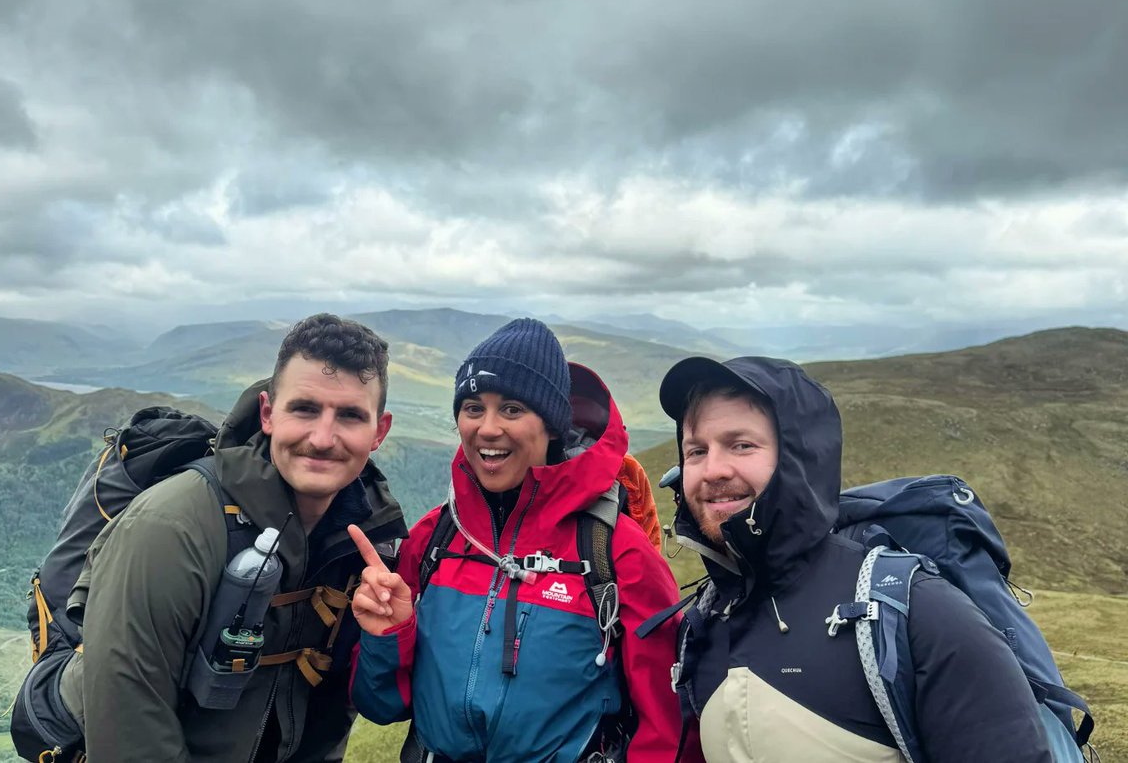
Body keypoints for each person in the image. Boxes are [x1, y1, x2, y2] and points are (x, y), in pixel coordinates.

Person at [657, 355, 1053, 762]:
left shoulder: (921, 613)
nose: (713, 469)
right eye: (697, 451)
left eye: (742, 445)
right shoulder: (704, 623)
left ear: (797, 458)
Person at [58, 314, 408, 762]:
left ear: (379, 432)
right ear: (268, 414)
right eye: (304, 409)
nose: (323, 438)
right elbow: (130, 736)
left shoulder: (369, 541)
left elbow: (329, 714)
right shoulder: (171, 527)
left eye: (350, 416)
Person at [348, 318, 689, 762]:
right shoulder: (436, 537)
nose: (487, 428)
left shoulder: (616, 552)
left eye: (511, 409)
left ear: (551, 425)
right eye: (473, 407)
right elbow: (383, 705)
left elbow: (667, 729)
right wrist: (388, 635)